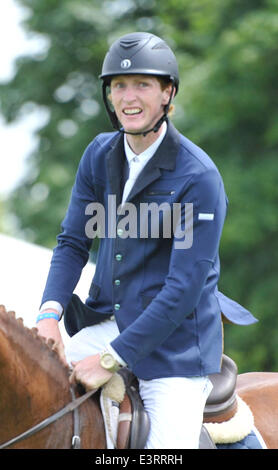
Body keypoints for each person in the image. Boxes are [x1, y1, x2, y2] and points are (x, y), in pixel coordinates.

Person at [36, 32, 257, 449]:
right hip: (106, 323)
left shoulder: (199, 177)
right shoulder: (98, 155)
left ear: (167, 93)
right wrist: (48, 313)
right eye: (119, 85)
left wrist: (110, 360)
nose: (128, 97)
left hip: (175, 349)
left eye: (142, 84)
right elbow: (71, 244)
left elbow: (183, 288)